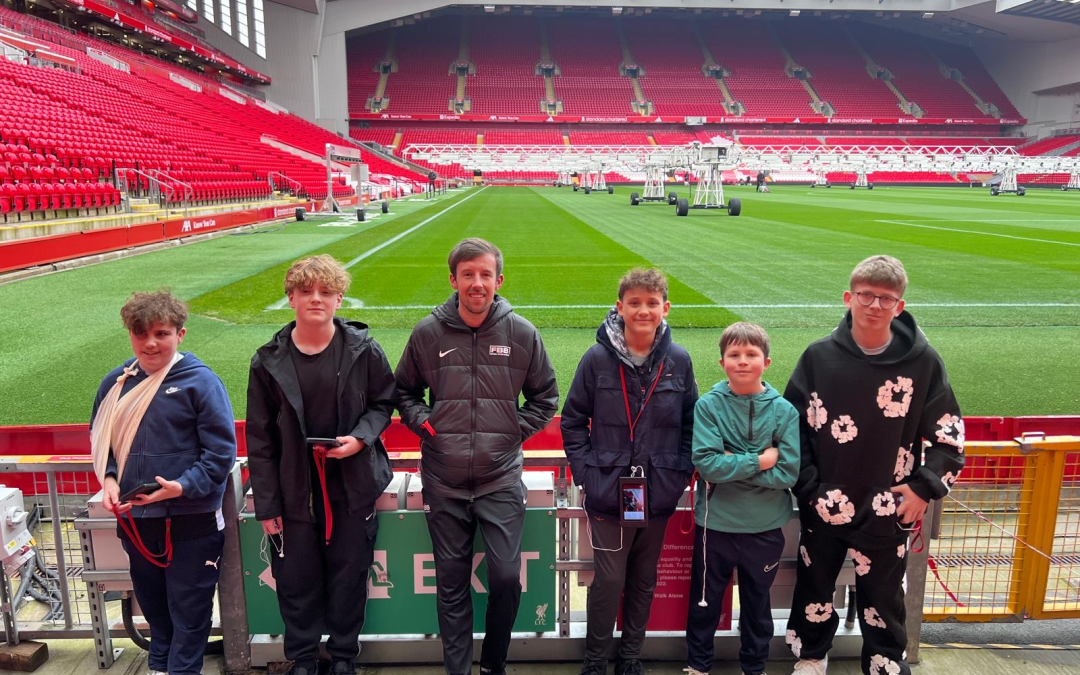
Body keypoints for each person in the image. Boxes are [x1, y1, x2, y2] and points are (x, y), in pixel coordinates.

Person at [783, 255, 965, 675]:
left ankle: (885, 662)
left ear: (899, 306)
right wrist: (809, 488)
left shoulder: (923, 363)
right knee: (814, 585)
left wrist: (924, 489)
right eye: (866, 295)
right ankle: (812, 657)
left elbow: (949, 435)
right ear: (849, 298)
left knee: (884, 596)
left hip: (889, 505)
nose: (875, 306)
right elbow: (791, 429)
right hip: (825, 502)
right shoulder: (818, 358)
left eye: (886, 298)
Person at [395, 238, 559, 675]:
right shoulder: (428, 333)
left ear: (499, 280)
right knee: (451, 585)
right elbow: (404, 392)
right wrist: (429, 426)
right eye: (468, 274)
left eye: (485, 274)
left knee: (505, 578)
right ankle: (458, 670)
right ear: (453, 280)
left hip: (500, 479)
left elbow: (545, 398)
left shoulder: (521, 333)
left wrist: (509, 432)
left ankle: (493, 665)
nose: (477, 283)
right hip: (443, 480)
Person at [246, 255, 397, 675]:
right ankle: (303, 658)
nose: (317, 299)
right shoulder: (266, 361)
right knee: (295, 580)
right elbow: (259, 440)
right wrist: (268, 506)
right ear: (290, 297)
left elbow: (385, 403)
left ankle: (344, 656)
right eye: (307, 291)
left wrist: (361, 438)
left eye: (326, 292)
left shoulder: (364, 350)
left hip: (351, 485)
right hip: (294, 489)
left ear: (339, 298)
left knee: (350, 576)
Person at [561, 268, 698, 675]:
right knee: (607, 582)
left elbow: (692, 423)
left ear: (665, 308)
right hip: (608, 491)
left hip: (657, 491)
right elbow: (572, 421)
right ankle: (595, 662)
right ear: (619, 307)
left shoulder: (679, 360)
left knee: (643, 581)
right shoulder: (596, 359)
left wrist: (677, 477)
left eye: (651, 303)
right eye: (634, 303)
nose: (643, 310)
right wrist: (589, 476)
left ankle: (631, 659)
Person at [92, 290, 236, 675]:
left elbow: (221, 455)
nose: (151, 342)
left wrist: (184, 487)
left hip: (192, 520)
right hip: (137, 521)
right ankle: (159, 667)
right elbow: (101, 442)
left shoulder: (201, 383)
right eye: (141, 334)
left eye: (161, 333)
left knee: (189, 610)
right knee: (155, 608)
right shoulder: (116, 383)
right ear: (130, 335)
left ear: (181, 335)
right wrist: (108, 480)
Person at [683, 322, 799, 675]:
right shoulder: (708, 406)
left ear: (767, 362)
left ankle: (754, 666)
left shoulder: (784, 412)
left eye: (751, 354)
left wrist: (733, 461)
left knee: (757, 604)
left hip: (764, 527)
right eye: (735, 355)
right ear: (722, 363)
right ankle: (698, 665)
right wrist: (760, 459)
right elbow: (708, 464)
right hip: (715, 524)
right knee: (704, 603)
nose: (743, 361)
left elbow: (788, 474)